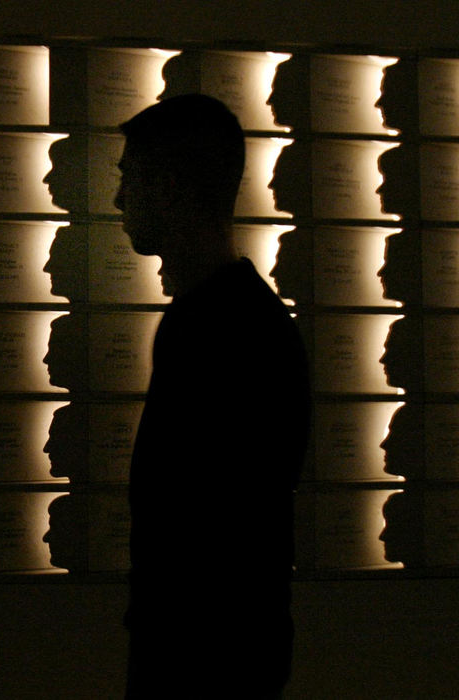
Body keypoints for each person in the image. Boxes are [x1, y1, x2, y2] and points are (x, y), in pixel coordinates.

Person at [115, 94, 310, 697]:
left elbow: (201, 525)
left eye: (130, 180)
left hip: (203, 662)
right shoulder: (250, 319)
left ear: (170, 189)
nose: (120, 200)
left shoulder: (211, 329)